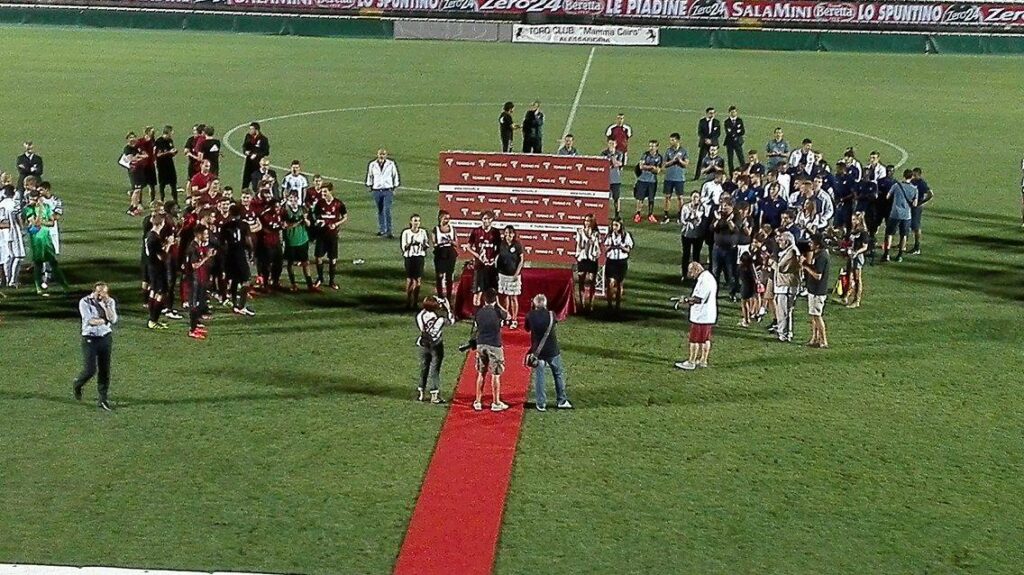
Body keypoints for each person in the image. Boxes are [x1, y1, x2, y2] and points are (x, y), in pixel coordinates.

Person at [74, 282, 119, 411]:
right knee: (90, 370)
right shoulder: (84, 302)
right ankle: (78, 384)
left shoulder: (109, 302)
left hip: (105, 337)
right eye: (99, 293)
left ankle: (103, 399)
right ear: (94, 291)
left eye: (103, 293)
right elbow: (90, 321)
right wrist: (105, 320)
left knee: (105, 369)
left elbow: (113, 319)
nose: (101, 296)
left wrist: (106, 306)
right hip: (90, 338)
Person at [525, 294, 572, 412]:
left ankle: (541, 404)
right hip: (552, 350)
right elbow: (554, 323)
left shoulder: (530, 315)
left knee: (540, 377)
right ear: (545, 304)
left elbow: (527, 328)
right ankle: (561, 401)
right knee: (558, 374)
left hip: (538, 352)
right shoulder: (552, 314)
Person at [23, 192, 69, 296]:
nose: (32, 201)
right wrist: (40, 213)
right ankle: (38, 288)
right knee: (38, 264)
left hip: (46, 238)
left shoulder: (47, 207)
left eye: (34, 199)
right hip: (36, 239)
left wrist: (43, 221)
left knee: (53, 263)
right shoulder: (28, 209)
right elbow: (35, 223)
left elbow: (52, 223)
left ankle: (65, 286)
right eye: (30, 199)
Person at [675, 262, 717, 370]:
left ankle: (691, 362)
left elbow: (698, 299)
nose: (691, 275)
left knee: (694, 339)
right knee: (705, 339)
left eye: (691, 272)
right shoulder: (708, 277)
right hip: (707, 315)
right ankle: (703, 360)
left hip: (701, 316)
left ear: (696, 270)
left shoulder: (704, 280)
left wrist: (686, 300)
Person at [472, 289, 509, 412]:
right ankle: (496, 402)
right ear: (495, 299)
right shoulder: (497, 312)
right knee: (495, 374)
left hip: (481, 344)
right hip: (494, 345)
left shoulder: (479, 312)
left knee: (481, 373)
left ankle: (478, 401)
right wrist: (499, 305)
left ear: (484, 299)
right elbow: (508, 316)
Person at [415, 295, 454, 404]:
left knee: (424, 368)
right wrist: (448, 308)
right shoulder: (440, 319)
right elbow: (451, 321)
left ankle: (421, 393)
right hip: (436, 345)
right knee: (435, 370)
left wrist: (435, 302)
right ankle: (434, 395)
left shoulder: (420, 316)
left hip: (423, 343)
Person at [222, 204, 255, 316]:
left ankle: (235, 304)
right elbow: (248, 240)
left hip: (229, 255)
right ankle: (241, 305)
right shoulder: (244, 225)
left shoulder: (225, 226)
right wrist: (251, 251)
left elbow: (223, 243)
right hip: (240, 254)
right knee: (246, 280)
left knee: (234, 280)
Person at [313, 182, 347, 290]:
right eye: (322, 191)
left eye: (325, 191)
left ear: (330, 191)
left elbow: (345, 217)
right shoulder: (320, 203)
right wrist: (318, 222)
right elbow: (316, 216)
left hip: (332, 236)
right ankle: (320, 278)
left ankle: (332, 281)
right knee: (318, 257)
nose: (322, 193)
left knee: (332, 259)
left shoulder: (338, 203)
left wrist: (336, 224)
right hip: (321, 235)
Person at [882, 169, 919, 263]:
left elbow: (887, 196)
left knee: (890, 234)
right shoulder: (914, 189)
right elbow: (915, 204)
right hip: (906, 215)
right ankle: (900, 255)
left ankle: (886, 254)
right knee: (904, 235)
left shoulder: (896, 185)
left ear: (904, 175)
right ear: (912, 177)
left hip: (895, 213)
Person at [466, 210, 500, 307]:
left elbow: (499, 249)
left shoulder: (495, 232)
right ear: (481, 219)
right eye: (484, 219)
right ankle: (476, 313)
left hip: (491, 267)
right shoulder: (476, 231)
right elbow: (468, 247)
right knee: (477, 291)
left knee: (490, 291)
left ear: (492, 220)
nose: (486, 221)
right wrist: (477, 255)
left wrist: (494, 259)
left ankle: (489, 311)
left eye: (488, 219)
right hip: (479, 266)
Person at [185, 226, 214, 340]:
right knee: (194, 304)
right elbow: (194, 265)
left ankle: (195, 325)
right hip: (193, 280)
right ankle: (192, 330)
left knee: (197, 303)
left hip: (199, 279)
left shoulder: (198, 246)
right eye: (205, 234)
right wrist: (207, 257)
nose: (207, 236)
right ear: (198, 234)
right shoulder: (193, 248)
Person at [802, 234, 830, 348]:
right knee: (814, 316)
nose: (810, 244)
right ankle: (815, 338)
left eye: (811, 242)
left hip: (818, 290)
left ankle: (823, 340)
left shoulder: (822, 257)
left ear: (817, 244)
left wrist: (806, 267)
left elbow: (818, 275)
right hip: (813, 289)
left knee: (817, 316)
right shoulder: (818, 254)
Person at [283, 193, 316, 291]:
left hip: (302, 240)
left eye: (294, 199)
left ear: (297, 199)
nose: (293, 201)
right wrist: (298, 222)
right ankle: (293, 284)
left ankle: (310, 285)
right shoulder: (285, 211)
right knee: (290, 263)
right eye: (291, 199)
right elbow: (285, 226)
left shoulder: (303, 209)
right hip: (291, 241)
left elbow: (309, 224)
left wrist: (305, 220)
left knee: (305, 262)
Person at [365, 148, 400, 239]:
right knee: (380, 210)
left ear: (386, 155)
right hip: (377, 190)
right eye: (380, 154)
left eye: (383, 154)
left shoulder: (391, 164)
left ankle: (389, 231)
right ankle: (382, 230)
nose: (381, 156)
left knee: (387, 209)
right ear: (377, 155)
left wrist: (395, 186)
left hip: (387, 190)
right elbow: (370, 175)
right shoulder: (372, 164)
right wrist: (369, 185)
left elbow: (395, 175)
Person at [772, 231, 800, 343]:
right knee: (785, 311)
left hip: (786, 286)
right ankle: (786, 332)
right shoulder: (789, 250)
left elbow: (781, 268)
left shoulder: (792, 252)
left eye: (781, 240)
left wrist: (771, 263)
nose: (779, 242)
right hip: (785, 285)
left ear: (787, 242)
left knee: (783, 311)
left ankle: (783, 334)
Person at [143, 213, 170, 329]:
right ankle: (153, 320)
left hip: (152, 267)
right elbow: (162, 256)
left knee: (153, 291)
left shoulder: (150, 234)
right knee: (161, 293)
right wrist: (169, 244)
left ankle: (152, 318)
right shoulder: (154, 238)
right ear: (161, 223)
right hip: (158, 268)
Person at [496, 225, 524, 329]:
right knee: (505, 296)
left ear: (513, 234)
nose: (508, 235)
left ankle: (514, 319)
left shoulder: (517, 245)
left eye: (510, 233)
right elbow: (497, 258)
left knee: (513, 297)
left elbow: (521, 260)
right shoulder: (501, 244)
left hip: (514, 276)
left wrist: (517, 273)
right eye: (506, 233)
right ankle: (506, 317)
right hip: (503, 275)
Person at [603, 217, 633, 312]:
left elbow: (628, 249)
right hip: (611, 261)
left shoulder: (626, 235)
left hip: (621, 262)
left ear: (621, 226)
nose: (614, 227)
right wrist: (611, 246)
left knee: (620, 284)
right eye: (613, 225)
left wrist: (621, 247)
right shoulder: (609, 235)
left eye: (616, 225)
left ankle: (617, 305)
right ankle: (609, 304)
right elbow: (605, 248)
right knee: (610, 283)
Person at [401, 214, 429, 310]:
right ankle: (408, 300)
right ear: (411, 222)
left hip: (419, 257)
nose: (416, 223)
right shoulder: (406, 233)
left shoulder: (423, 232)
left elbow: (426, 245)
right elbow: (404, 247)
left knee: (418, 280)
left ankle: (415, 301)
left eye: (418, 221)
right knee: (410, 279)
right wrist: (411, 244)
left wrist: (422, 245)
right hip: (409, 257)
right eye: (415, 221)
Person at [574, 214, 601, 312]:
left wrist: (592, 238)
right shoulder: (580, 232)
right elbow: (580, 245)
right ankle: (582, 303)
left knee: (591, 281)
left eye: (589, 221)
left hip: (592, 259)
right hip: (582, 258)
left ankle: (591, 304)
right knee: (581, 280)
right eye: (585, 221)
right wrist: (586, 236)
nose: (587, 223)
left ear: (593, 222)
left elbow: (598, 247)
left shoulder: (596, 233)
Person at [0, 185, 25, 288]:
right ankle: (13, 280)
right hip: (14, 232)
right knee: (18, 256)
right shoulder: (14, 204)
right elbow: (19, 218)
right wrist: (23, 229)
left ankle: (7, 278)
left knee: (9, 256)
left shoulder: (1, 204)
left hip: (3, 233)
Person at [661, 133, 689, 224]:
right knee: (667, 197)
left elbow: (686, 164)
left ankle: (680, 215)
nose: (671, 142)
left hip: (679, 178)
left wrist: (679, 160)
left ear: (677, 140)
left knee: (680, 197)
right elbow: (664, 164)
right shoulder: (668, 151)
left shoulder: (683, 151)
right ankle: (666, 216)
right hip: (669, 177)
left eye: (673, 140)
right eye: (671, 140)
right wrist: (673, 160)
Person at [432, 210, 458, 306]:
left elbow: (456, 243)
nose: (447, 220)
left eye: (448, 218)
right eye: (445, 218)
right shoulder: (436, 229)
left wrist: (451, 241)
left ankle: (448, 298)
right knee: (439, 276)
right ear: (440, 218)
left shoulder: (452, 229)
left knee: (449, 276)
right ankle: (440, 297)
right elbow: (434, 243)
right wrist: (440, 243)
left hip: (450, 253)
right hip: (440, 253)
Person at [633, 140, 662, 224]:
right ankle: (638, 214)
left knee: (651, 199)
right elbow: (641, 166)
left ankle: (650, 214)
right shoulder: (645, 155)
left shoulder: (659, 157)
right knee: (640, 199)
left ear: (657, 147)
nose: (651, 148)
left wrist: (649, 167)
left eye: (653, 146)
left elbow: (658, 170)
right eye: (650, 146)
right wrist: (652, 167)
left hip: (652, 181)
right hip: (642, 180)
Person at [843, 212, 868, 308]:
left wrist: (856, 252)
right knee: (849, 276)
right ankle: (846, 296)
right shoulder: (853, 231)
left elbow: (865, 247)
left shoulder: (863, 233)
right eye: (852, 219)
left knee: (857, 278)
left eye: (854, 220)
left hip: (857, 257)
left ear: (859, 221)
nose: (852, 221)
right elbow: (849, 243)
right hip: (851, 255)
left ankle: (857, 300)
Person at [680, 191, 705, 280]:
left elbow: (699, 220)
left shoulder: (701, 208)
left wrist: (695, 217)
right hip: (686, 234)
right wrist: (691, 217)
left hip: (698, 235)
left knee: (696, 255)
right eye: (694, 197)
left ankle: (696, 274)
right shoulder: (685, 207)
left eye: (697, 197)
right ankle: (684, 274)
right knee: (686, 254)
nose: (695, 199)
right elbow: (683, 220)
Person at [910, 167, 934, 255]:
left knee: (916, 226)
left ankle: (917, 247)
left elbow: (930, 194)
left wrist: (921, 202)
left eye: (914, 175)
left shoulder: (921, 183)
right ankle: (903, 244)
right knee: (909, 225)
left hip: (917, 207)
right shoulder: (912, 181)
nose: (913, 176)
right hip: (910, 205)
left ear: (919, 175)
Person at [241, 122, 270, 190]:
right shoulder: (248, 136)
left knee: (256, 182)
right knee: (245, 181)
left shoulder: (263, 139)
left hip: (258, 164)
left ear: (256, 130)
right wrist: (245, 151)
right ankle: (244, 193)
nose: (250, 131)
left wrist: (257, 155)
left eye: (252, 129)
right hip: (249, 162)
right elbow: (244, 146)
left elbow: (266, 152)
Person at [601, 137, 625, 219]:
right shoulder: (603, 153)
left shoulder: (619, 153)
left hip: (615, 179)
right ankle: (604, 214)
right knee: (605, 198)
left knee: (616, 198)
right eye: (610, 143)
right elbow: (602, 165)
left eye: (613, 143)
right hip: (606, 179)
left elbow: (617, 164)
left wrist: (612, 156)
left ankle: (617, 214)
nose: (611, 145)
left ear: (616, 144)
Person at [154, 126, 178, 203]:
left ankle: (175, 201)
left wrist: (174, 152)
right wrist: (169, 152)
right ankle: (162, 200)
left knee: (173, 184)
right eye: (171, 132)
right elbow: (158, 155)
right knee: (162, 184)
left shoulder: (170, 140)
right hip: (162, 166)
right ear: (168, 132)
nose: (172, 134)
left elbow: (171, 151)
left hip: (170, 165)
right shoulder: (159, 141)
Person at [696, 107, 721, 176]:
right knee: (701, 159)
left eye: (713, 113)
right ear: (707, 113)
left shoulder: (717, 122)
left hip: (713, 144)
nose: (712, 114)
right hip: (704, 143)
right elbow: (700, 132)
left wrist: (711, 140)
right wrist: (705, 139)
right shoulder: (702, 121)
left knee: (714, 160)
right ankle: (697, 175)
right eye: (710, 113)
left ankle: (713, 175)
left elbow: (718, 133)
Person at [723, 106, 746, 174]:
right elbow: (728, 132)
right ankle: (731, 174)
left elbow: (742, 131)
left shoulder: (739, 120)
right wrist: (736, 133)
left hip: (738, 142)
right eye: (732, 112)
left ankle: (744, 173)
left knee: (741, 158)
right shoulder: (727, 121)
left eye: (734, 112)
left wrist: (734, 133)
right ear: (729, 113)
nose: (733, 113)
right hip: (729, 142)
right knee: (730, 159)